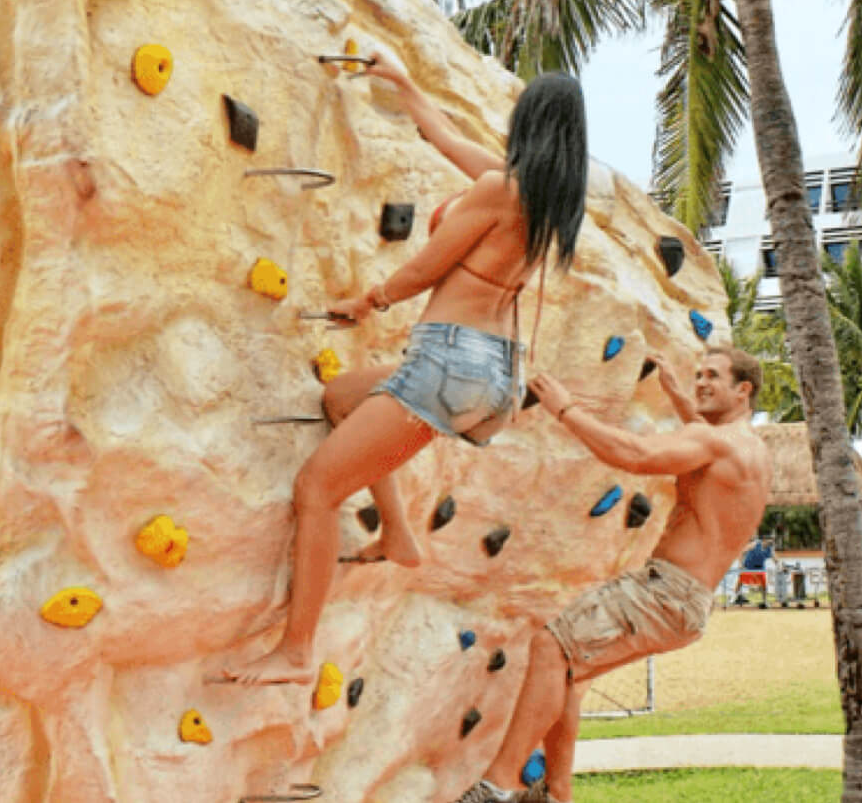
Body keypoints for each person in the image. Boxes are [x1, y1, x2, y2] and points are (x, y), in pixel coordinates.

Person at [220, 50, 588, 685]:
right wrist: (407, 87)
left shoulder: (503, 188)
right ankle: (398, 534)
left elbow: (428, 268)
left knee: (316, 490)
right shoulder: (545, 199)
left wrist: (367, 303)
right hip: (492, 372)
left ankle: (296, 650)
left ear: (526, 120)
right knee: (341, 397)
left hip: (449, 360)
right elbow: (448, 140)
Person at [451, 347, 773, 803]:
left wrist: (564, 407)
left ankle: (497, 786)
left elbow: (635, 454)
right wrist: (679, 395)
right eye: (698, 373)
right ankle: (556, 792)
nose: (701, 382)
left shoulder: (716, 443)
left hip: (665, 591)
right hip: (688, 603)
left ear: (744, 390)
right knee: (570, 675)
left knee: (550, 645)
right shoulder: (749, 449)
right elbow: (703, 441)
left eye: (713, 377)